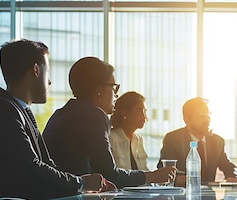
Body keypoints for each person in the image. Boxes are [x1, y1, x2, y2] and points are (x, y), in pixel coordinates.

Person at [0, 39, 115, 200]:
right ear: (36, 70)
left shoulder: (18, 110)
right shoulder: (2, 109)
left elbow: (47, 165)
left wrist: (81, 182)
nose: (49, 82)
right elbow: (33, 169)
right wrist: (81, 183)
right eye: (47, 72)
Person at [43, 56, 175, 188]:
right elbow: (109, 174)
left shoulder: (60, 114)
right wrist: (151, 176)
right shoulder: (94, 115)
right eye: (114, 88)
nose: (116, 95)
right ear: (99, 90)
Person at [157, 97, 237, 184]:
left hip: (209, 196)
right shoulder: (173, 139)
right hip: (181, 195)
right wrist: (179, 179)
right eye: (201, 115)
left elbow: (228, 166)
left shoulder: (217, 141)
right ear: (187, 120)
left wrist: (234, 177)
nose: (207, 119)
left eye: (208, 114)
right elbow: (164, 169)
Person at [109, 91, 149, 171]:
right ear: (124, 112)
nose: (144, 116)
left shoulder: (138, 139)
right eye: (139, 110)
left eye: (144, 111)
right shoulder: (111, 138)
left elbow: (145, 172)